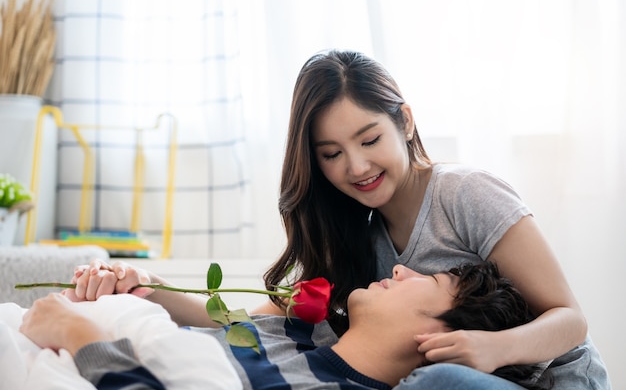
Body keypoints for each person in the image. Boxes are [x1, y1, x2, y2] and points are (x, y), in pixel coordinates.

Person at [67, 50, 611, 389]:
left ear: (405, 120)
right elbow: (252, 321)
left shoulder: (465, 194)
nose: (356, 166)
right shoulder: (354, 231)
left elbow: (569, 317)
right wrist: (148, 291)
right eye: (331, 153)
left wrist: (495, 348)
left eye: (370, 139)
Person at [22, 261, 551, 390]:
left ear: (436, 338)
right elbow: (213, 320)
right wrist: (133, 286)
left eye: (425, 279)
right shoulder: (302, 326)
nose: (399, 268)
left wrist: (78, 333)